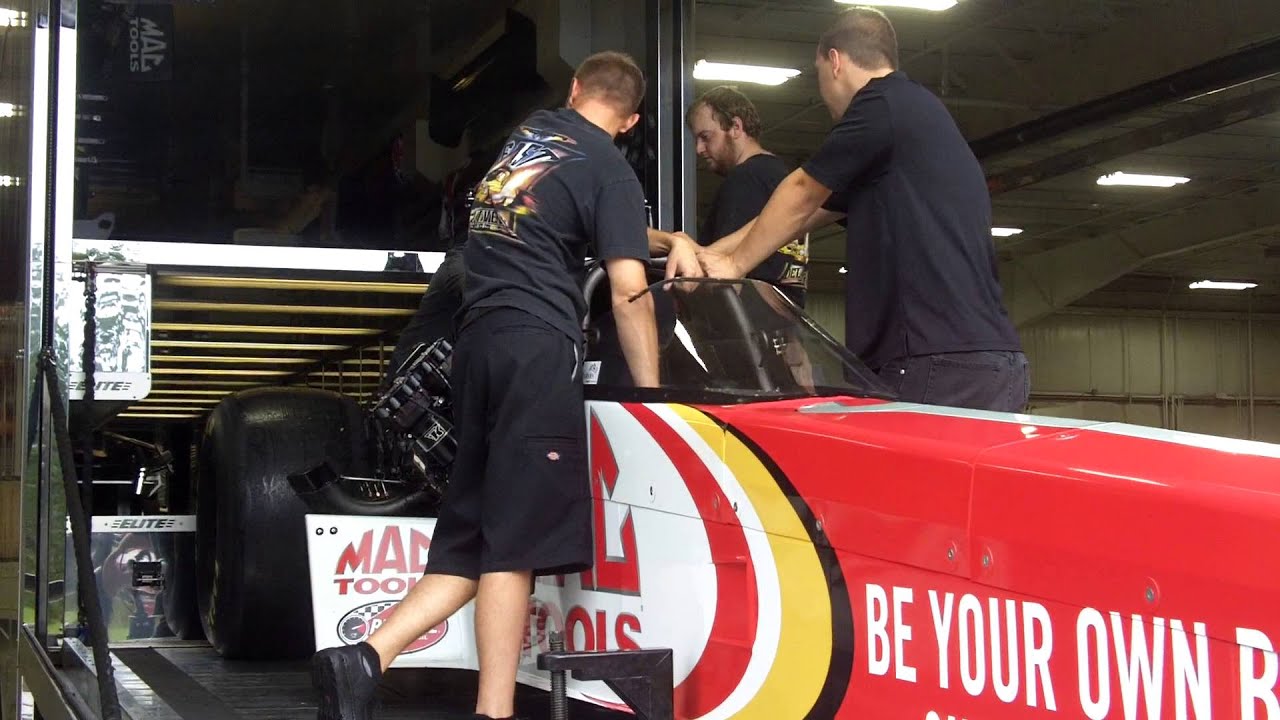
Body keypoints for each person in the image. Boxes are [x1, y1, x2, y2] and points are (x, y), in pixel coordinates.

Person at [311, 51, 666, 720]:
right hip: (535, 355)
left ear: (576, 89)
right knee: (515, 546)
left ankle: (362, 659)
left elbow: (562, 212)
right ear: (632, 120)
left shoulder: (529, 139)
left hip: (476, 347)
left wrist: (657, 235)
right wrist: (650, 396)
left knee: (469, 543)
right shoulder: (611, 169)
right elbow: (628, 291)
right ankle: (493, 711)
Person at [698, 7, 1029, 413]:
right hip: (987, 360)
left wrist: (734, 265)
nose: (822, 95)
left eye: (819, 76)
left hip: (934, 359)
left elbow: (802, 191)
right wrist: (716, 252)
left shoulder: (880, 104)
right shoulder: (917, 115)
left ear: (835, 62)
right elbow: (812, 212)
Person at [687, 85, 808, 307]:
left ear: (735, 127)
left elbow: (723, 277)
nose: (699, 149)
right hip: (787, 322)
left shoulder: (746, 179)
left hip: (746, 327)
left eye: (705, 137)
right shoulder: (782, 178)